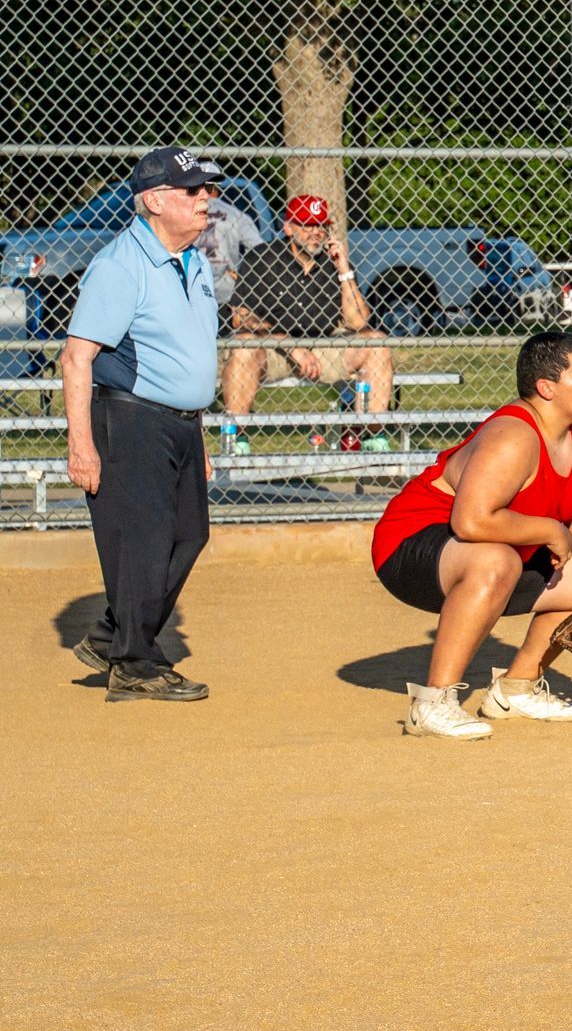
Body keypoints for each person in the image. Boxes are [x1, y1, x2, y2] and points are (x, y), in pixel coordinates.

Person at [369, 331, 572, 740]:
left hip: (480, 547)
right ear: (546, 387)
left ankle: (516, 688)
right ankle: (432, 704)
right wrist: (548, 529)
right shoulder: (513, 435)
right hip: (408, 545)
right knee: (497, 560)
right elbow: (471, 522)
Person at [61, 146, 223, 702]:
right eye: (193, 191)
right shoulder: (120, 265)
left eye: (209, 189)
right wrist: (81, 446)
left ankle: (113, 631)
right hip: (131, 419)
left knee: (189, 536)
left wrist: (196, 430)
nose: (207, 200)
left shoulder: (195, 259)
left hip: (180, 423)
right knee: (146, 542)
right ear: (154, 201)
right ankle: (134, 662)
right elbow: (77, 355)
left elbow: (192, 355)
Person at [221, 194, 393, 415]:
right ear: (289, 228)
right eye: (306, 224)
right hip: (273, 349)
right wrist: (291, 345)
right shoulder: (263, 259)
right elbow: (241, 317)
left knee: (377, 343)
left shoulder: (333, 263)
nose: (315, 232)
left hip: (325, 347)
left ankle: (372, 435)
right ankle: (237, 438)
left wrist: (343, 268)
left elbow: (358, 322)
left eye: (321, 225)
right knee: (243, 345)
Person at [192, 191, 263, 309]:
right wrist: (243, 276)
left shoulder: (185, 213)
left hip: (194, 288)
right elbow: (258, 250)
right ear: (216, 189)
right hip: (226, 291)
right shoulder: (235, 214)